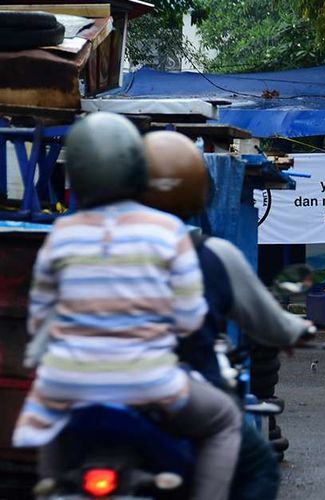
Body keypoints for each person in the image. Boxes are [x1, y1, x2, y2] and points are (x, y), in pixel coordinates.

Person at [12, 113, 242, 500]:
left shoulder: (62, 234)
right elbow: (189, 319)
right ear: (137, 167)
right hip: (149, 382)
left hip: (68, 384)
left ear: (79, 174)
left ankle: (51, 485)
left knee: (55, 420)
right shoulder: (169, 232)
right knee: (224, 422)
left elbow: (39, 320)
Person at [140, 130, 315, 499]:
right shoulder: (212, 254)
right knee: (257, 466)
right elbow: (270, 324)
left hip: (83, 394)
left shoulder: (87, 247)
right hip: (172, 393)